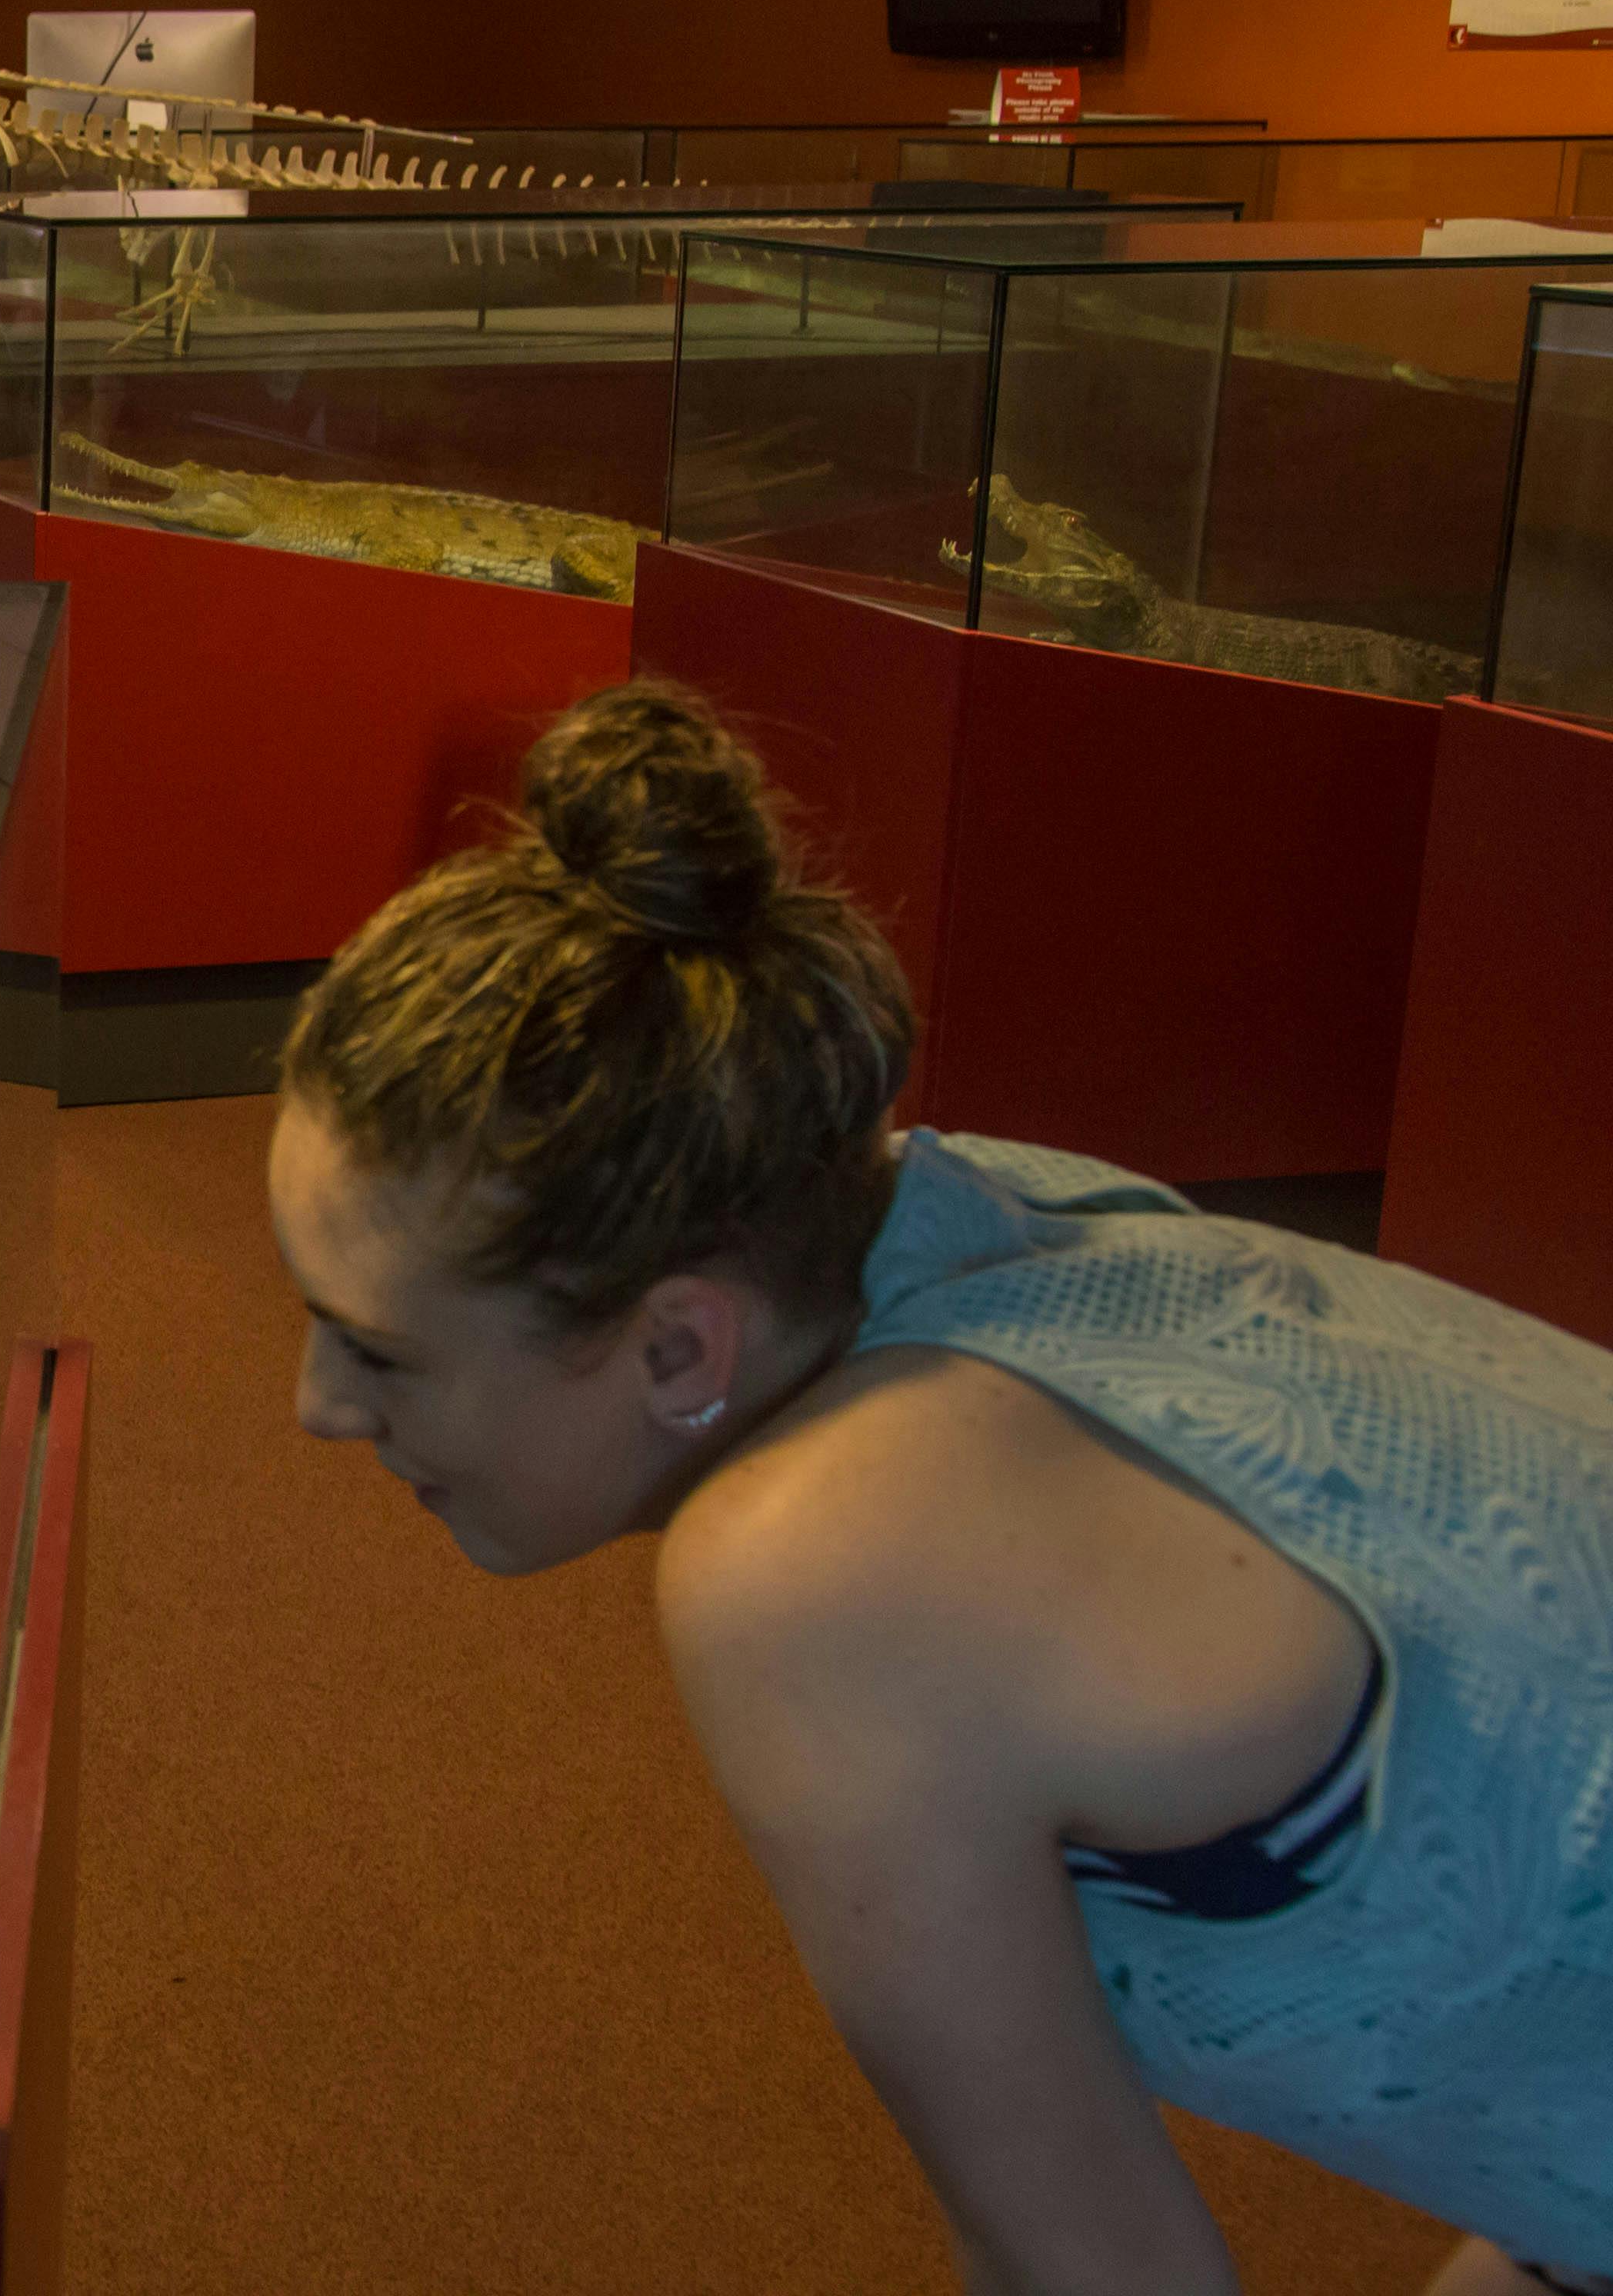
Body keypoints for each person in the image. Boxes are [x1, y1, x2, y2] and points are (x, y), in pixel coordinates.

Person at [270, 678, 1613, 2296]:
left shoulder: (820, 1567)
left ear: (683, 1346)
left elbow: (1095, 2273)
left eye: (382, 1354)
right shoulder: (993, 1208)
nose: (318, 1409)